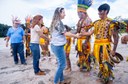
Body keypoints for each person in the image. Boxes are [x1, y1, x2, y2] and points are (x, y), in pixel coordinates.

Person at [81, 3, 119, 83]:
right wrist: (84, 33)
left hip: (105, 46)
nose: (98, 13)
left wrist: (114, 50)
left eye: (100, 11)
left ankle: (107, 78)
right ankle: (102, 75)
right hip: (96, 46)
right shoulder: (96, 22)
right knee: (99, 62)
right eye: (98, 11)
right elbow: (90, 32)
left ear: (106, 11)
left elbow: (116, 37)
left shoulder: (111, 22)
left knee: (106, 62)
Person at [50, 7, 80, 84]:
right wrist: (76, 36)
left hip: (55, 46)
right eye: (63, 12)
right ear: (59, 13)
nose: (65, 14)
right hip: (58, 47)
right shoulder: (58, 22)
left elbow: (65, 32)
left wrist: (75, 33)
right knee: (62, 65)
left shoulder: (55, 22)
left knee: (60, 64)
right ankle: (55, 82)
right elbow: (66, 33)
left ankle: (62, 80)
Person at [76, 0, 92, 71]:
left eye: (79, 13)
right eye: (78, 13)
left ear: (84, 12)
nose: (78, 14)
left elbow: (89, 32)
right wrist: (76, 41)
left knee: (86, 53)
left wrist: (86, 42)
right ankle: (82, 65)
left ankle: (88, 66)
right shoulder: (79, 20)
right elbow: (78, 31)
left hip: (85, 39)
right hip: (79, 39)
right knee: (80, 53)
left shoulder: (88, 20)